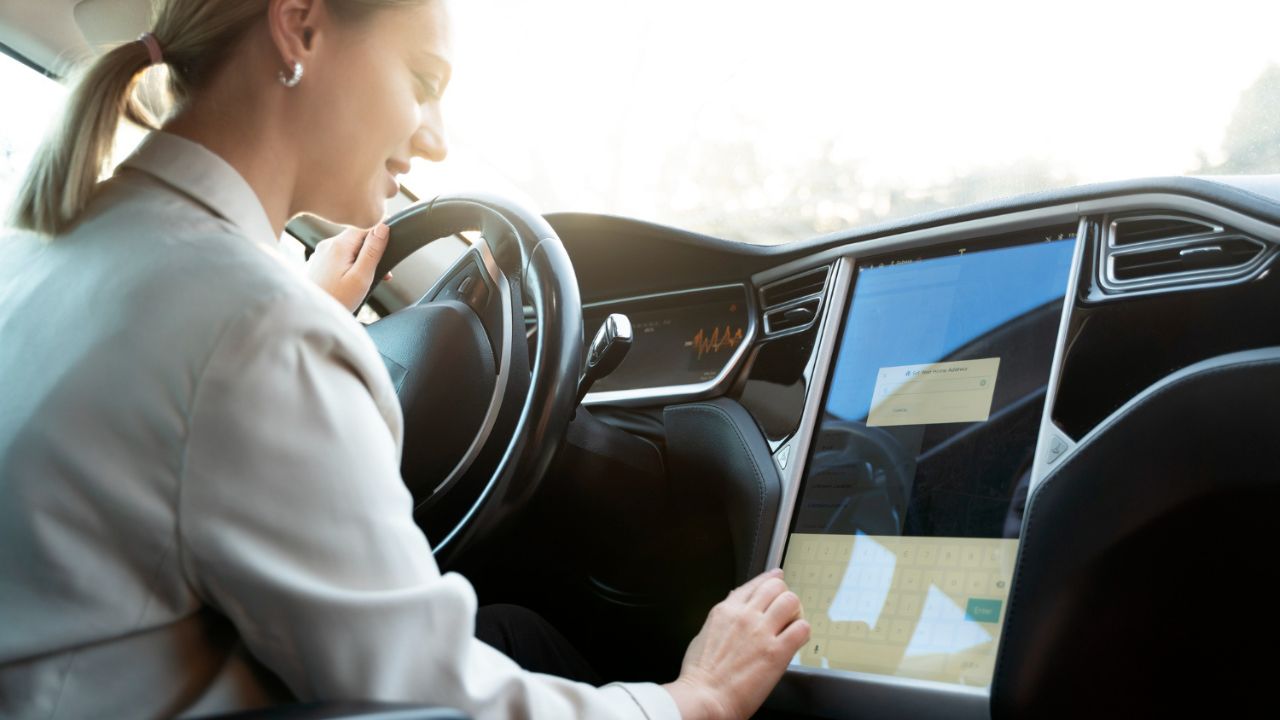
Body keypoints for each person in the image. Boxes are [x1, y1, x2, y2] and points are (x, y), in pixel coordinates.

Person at [0, 1, 810, 718]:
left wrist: (310, 317)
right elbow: (422, 696)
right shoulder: (256, 330)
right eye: (423, 80)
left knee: (517, 632)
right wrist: (690, 701)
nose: (435, 135)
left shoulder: (46, 260)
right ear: (301, 25)